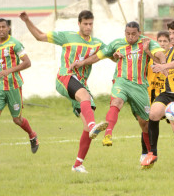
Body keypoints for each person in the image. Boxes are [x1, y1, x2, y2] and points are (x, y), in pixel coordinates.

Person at [19, 10, 108, 173]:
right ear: (79, 24)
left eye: (91, 24)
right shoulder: (67, 37)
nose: (88, 27)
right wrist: (27, 21)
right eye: (85, 24)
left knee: (88, 127)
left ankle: (77, 165)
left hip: (81, 84)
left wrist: (116, 54)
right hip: (65, 77)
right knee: (85, 98)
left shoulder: (97, 43)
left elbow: (109, 54)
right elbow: (39, 36)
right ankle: (93, 124)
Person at [69, 21, 166, 166]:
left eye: (134, 34)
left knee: (145, 123)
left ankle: (149, 154)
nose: (131, 36)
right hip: (121, 81)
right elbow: (98, 56)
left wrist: (162, 64)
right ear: (124, 33)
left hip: (140, 86)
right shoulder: (117, 44)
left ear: (139, 32)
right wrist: (81, 63)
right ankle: (108, 134)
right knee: (116, 102)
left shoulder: (147, 42)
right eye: (128, 34)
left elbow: (159, 54)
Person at [0, 18, 39, 162]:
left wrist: (9, 70)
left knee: (17, 119)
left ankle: (32, 135)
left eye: (4, 26)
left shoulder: (15, 44)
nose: (2, 29)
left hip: (13, 87)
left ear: (8, 28)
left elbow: (27, 62)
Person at [141, 17, 174, 171]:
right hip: (168, 93)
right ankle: (152, 153)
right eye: (170, 33)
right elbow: (164, 69)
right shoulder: (170, 51)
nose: (171, 36)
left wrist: (163, 66)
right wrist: (150, 55)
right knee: (153, 113)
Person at [145, 31, 174, 164]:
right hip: (152, 95)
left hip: (168, 95)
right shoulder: (152, 55)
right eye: (160, 41)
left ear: (170, 43)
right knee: (147, 123)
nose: (162, 43)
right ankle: (146, 153)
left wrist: (161, 67)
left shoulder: (172, 58)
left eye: (165, 41)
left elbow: (168, 72)